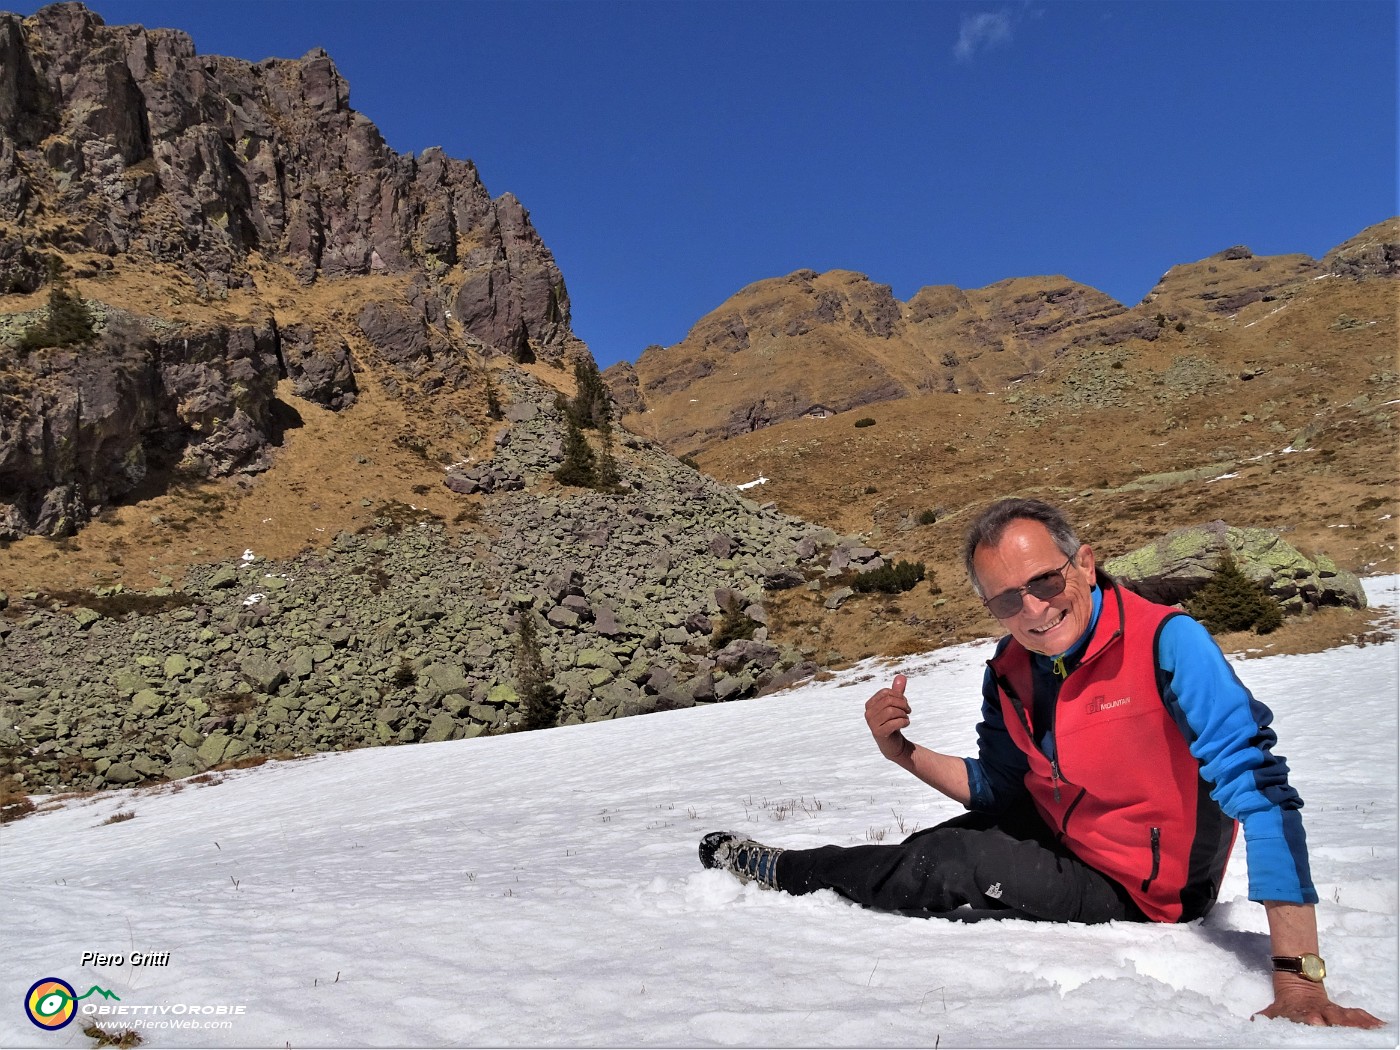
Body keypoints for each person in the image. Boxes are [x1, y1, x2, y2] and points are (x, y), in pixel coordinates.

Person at [699, 497, 1383, 1029]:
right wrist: (900, 753)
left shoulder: (1167, 643)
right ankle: (863, 870)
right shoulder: (1011, 668)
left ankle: (784, 870)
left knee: (945, 863)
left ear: (1084, 564)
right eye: (1005, 598)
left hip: (1145, 888)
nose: (1032, 608)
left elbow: (1262, 795)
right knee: (937, 849)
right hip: (1068, 828)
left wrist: (1298, 979)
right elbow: (998, 788)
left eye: (1045, 580)